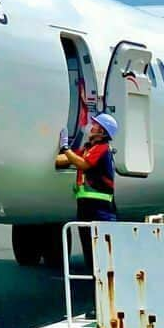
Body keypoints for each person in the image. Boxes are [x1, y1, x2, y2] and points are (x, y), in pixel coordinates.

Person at [55, 112, 118, 269]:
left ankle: (102, 286)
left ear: (102, 131)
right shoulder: (89, 148)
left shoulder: (102, 148)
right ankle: (95, 281)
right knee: (89, 248)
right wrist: (54, 158)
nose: (92, 126)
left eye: (95, 124)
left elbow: (83, 164)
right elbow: (66, 159)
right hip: (86, 205)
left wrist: (65, 147)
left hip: (99, 208)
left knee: (98, 250)